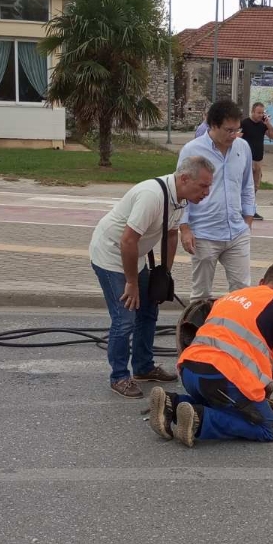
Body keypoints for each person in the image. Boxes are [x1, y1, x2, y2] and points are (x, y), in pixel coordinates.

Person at [88, 156, 214, 398]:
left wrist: (164, 274)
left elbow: (171, 234)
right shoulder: (152, 196)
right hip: (111, 254)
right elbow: (127, 240)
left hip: (134, 256)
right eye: (204, 186)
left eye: (209, 186)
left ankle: (143, 367)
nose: (207, 192)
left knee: (148, 310)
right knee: (124, 318)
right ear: (185, 178)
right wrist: (132, 282)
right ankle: (119, 377)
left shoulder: (181, 198)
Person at [149, 264, 273, 447]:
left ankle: (171, 402)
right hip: (221, 378)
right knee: (268, 428)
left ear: (261, 282)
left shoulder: (230, 297)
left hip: (189, 371)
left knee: (222, 404)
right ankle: (200, 419)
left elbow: (243, 349)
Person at [175, 99, 257, 302]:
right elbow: (180, 190)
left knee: (242, 293)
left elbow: (247, 185)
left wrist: (248, 219)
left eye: (236, 130)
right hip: (203, 233)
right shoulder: (191, 150)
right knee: (201, 295)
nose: (233, 135)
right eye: (228, 130)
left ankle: (236, 332)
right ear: (213, 126)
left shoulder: (242, 147)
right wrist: (184, 228)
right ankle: (198, 331)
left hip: (237, 232)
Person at [240, 102, 273, 220]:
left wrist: (269, 125)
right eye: (258, 113)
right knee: (245, 186)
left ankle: (251, 209)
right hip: (246, 159)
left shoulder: (263, 124)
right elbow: (237, 137)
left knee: (255, 186)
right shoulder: (244, 123)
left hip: (258, 159)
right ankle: (241, 209)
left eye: (262, 113)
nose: (261, 115)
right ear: (252, 112)